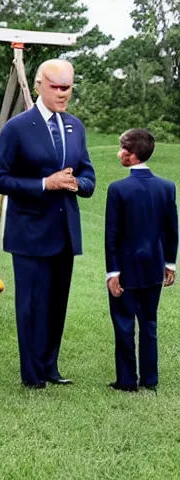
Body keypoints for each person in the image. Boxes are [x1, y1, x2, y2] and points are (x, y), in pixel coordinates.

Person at [0, 59, 95, 388]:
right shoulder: (17, 128)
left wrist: (77, 184)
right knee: (32, 306)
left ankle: (50, 367)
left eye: (68, 87)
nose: (64, 93)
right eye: (57, 87)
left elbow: (88, 175)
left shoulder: (76, 126)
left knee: (56, 305)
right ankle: (32, 375)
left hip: (64, 233)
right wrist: (43, 184)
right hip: (30, 234)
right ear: (38, 85)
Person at [105, 128, 178, 392]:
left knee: (124, 322)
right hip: (153, 268)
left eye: (121, 148)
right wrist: (170, 264)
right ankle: (150, 379)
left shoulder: (117, 189)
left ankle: (126, 381)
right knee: (149, 322)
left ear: (131, 155)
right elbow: (173, 230)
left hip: (124, 269)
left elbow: (111, 236)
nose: (118, 152)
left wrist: (112, 272)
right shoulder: (167, 188)